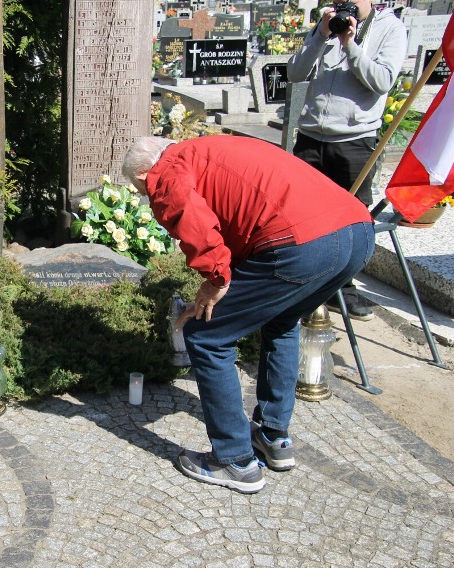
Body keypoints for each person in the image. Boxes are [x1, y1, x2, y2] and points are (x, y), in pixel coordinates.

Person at [122, 135, 374, 493]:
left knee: (205, 336)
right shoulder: (211, 150)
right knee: (282, 320)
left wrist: (216, 279)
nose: (148, 197)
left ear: (147, 170)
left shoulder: (167, 169)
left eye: (142, 189)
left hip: (302, 244)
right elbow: (247, 222)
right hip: (357, 233)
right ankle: (273, 437)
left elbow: (184, 210)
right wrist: (223, 285)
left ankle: (235, 461)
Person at [287, 0, 407, 320]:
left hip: (353, 141)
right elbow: (295, 72)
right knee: (302, 215)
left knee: (350, 220)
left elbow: (381, 80)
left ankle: (344, 289)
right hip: (312, 138)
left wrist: (349, 44)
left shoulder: (390, 29)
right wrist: (320, 36)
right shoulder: (326, 25)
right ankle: (302, 282)